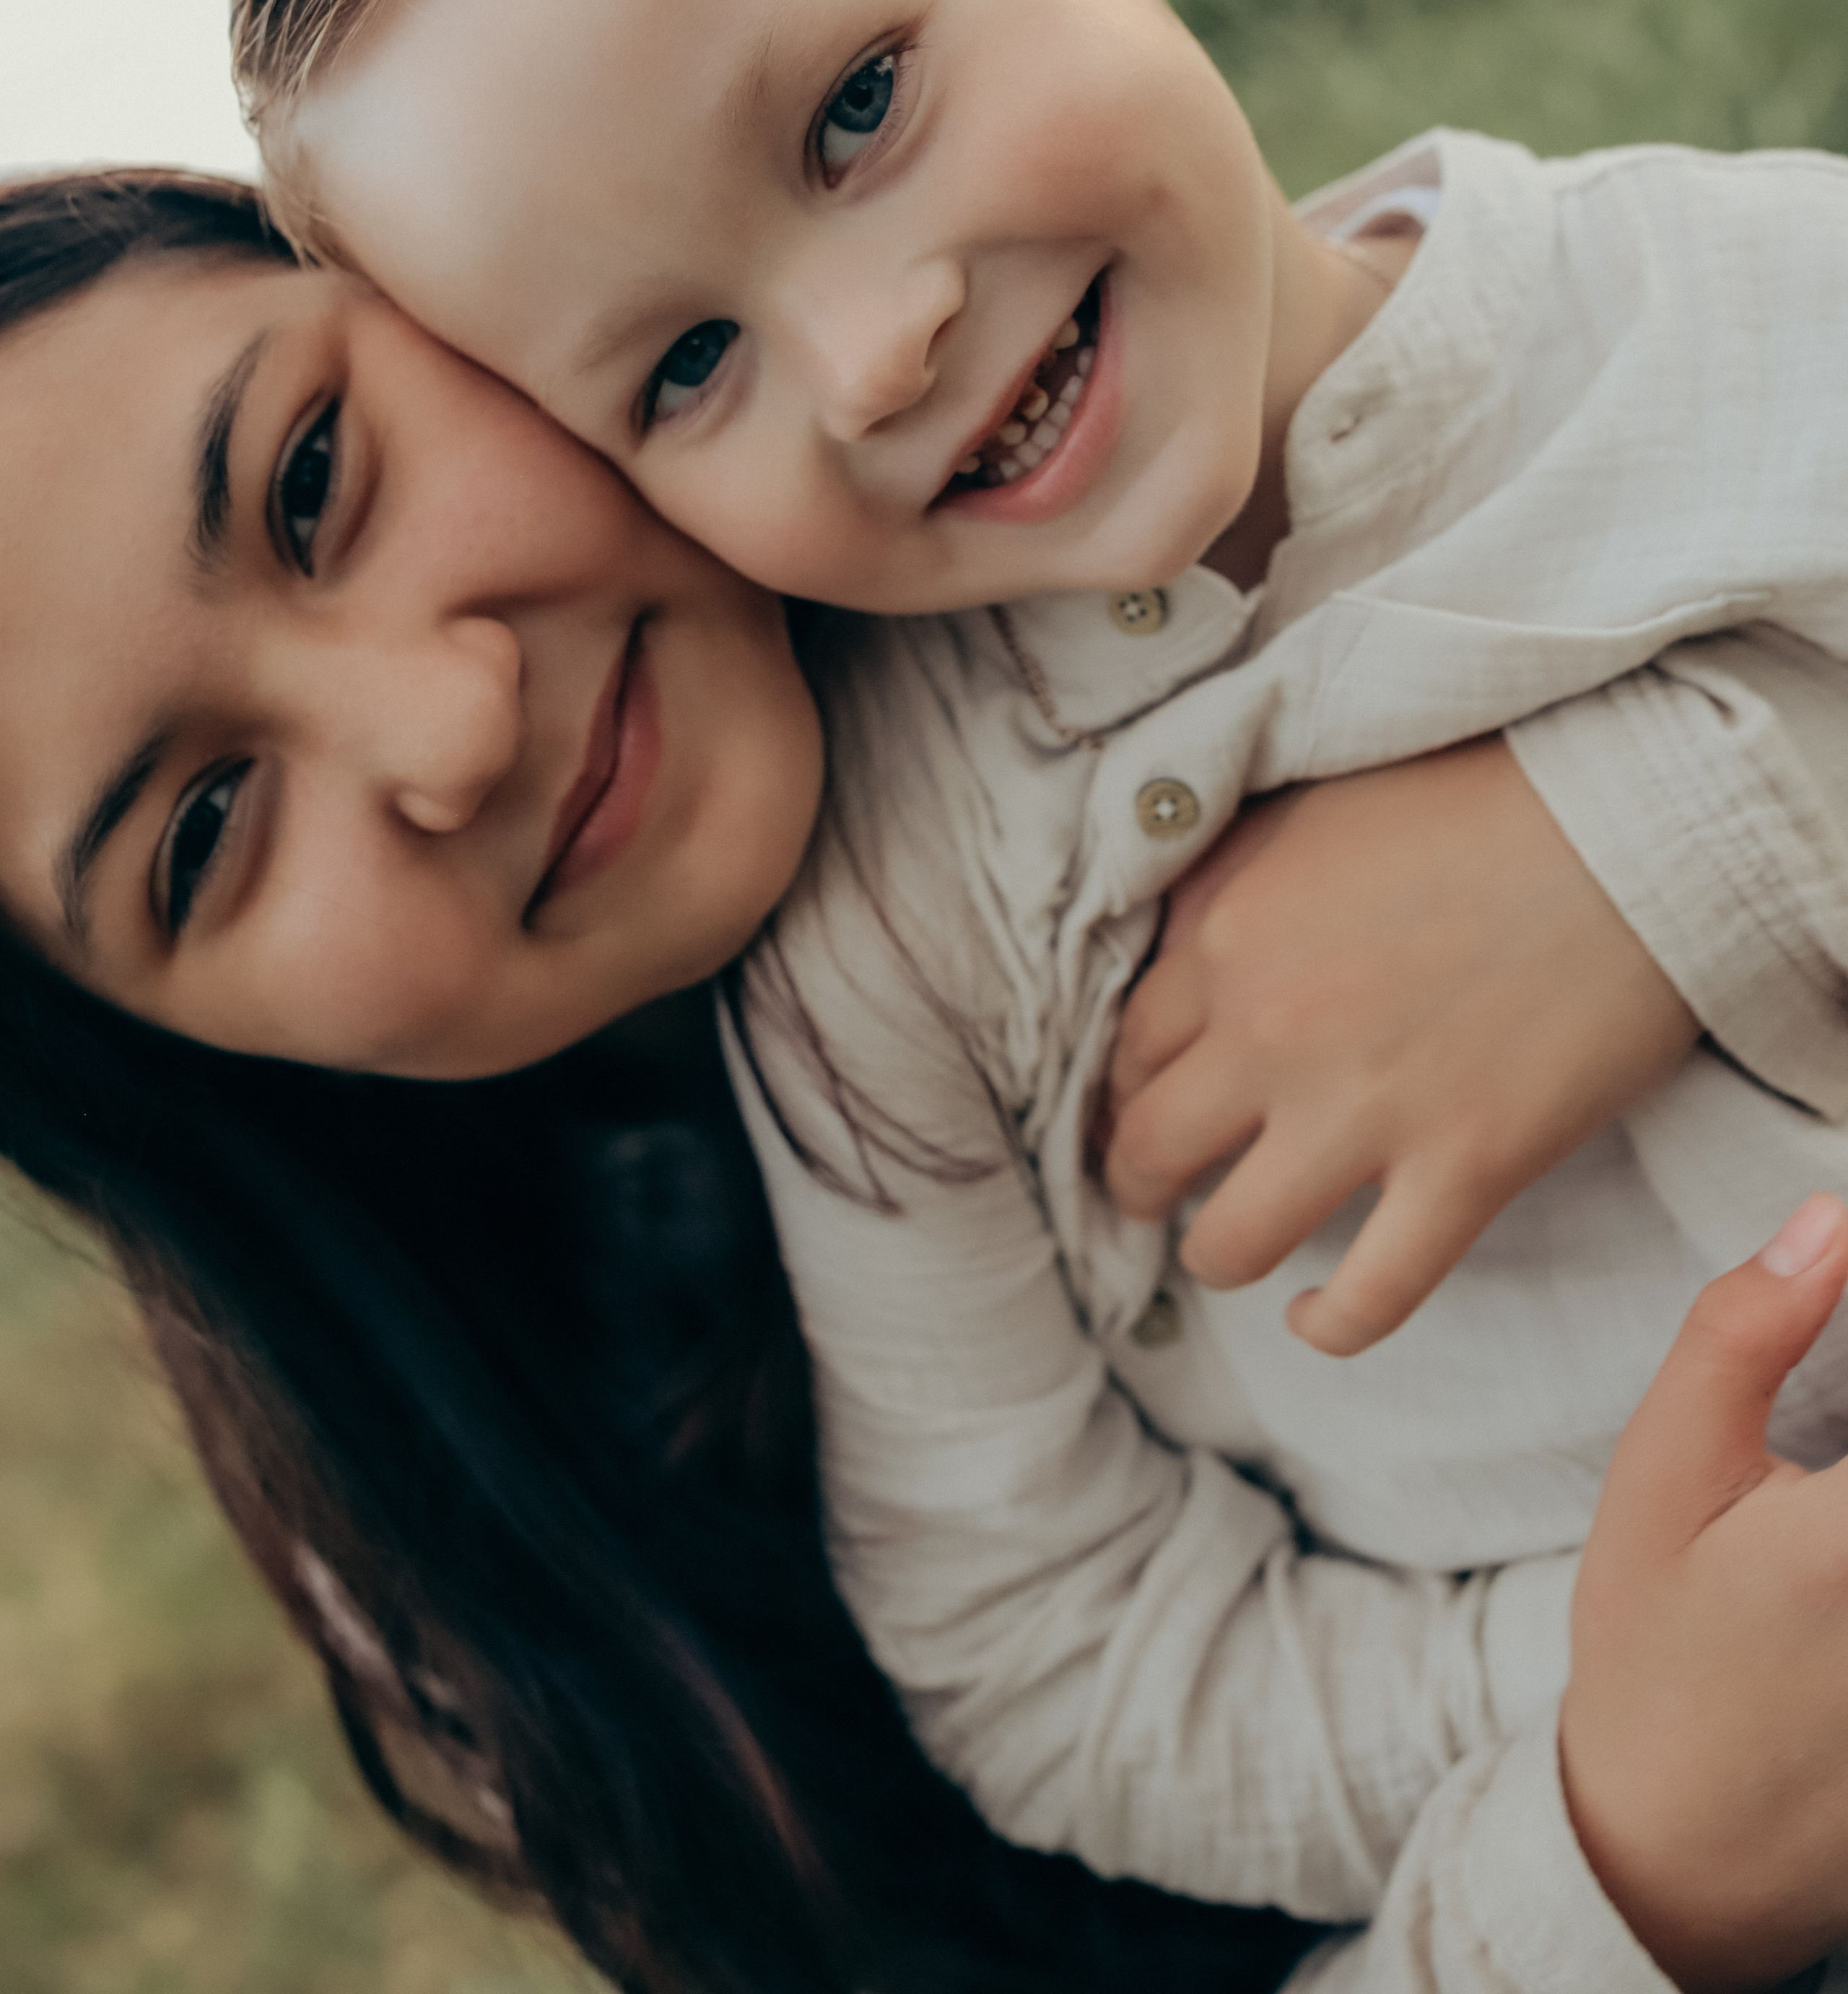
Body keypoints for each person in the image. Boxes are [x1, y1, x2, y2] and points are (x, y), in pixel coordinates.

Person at [8, 171, 1848, 1991]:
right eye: (206, 831)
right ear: (168, 1067)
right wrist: (1632, 1855)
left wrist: (1701, 818)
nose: (450, 724)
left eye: (314, 480)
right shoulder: (533, 1572)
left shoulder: (1150, 423)